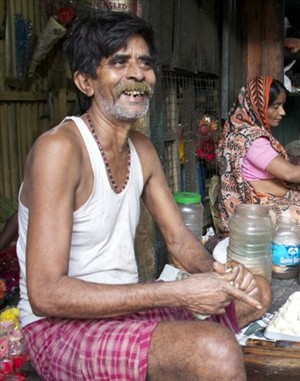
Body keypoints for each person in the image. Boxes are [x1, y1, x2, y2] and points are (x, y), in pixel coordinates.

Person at [16, 10, 270, 381]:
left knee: (258, 292)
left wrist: (220, 275)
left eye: (145, 63)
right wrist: (177, 294)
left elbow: (180, 241)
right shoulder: (60, 150)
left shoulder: (142, 148)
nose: (137, 74)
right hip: (58, 329)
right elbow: (46, 293)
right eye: (119, 62)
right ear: (85, 81)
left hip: (124, 309)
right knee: (215, 350)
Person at [217, 75, 300, 238]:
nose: (282, 112)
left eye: (282, 105)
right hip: (251, 209)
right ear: (258, 106)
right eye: (276, 106)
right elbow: (290, 173)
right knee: (295, 212)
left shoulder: (239, 131)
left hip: (259, 199)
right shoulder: (253, 139)